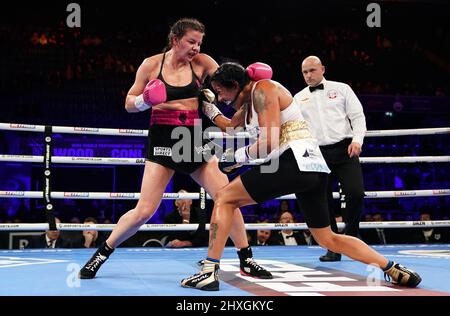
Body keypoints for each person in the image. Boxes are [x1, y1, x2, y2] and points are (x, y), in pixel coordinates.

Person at [181, 62, 421, 291]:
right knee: (328, 238)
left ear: (235, 84)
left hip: (293, 160)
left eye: (221, 92)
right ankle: (392, 268)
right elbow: (229, 125)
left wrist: (237, 157)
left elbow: (270, 142)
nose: (221, 98)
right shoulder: (249, 104)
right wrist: (208, 107)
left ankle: (209, 271)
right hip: (313, 168)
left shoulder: (263, 88)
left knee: (224, 198)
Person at [78, 18, 271, 279]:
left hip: (193, 137)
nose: (196, 47)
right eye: (191, 41)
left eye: (199, 42)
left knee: (227, 196)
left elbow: (231, 83)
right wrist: (146, 100)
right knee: (145, 209)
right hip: (163, 137)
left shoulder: (203, 63)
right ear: (175, 40)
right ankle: (101, 253)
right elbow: (128, 103)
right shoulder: (151, 65)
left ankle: (246, 259)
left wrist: (251, 78)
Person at [293, 56, 367, 262]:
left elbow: (357, 116)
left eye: (312, 70)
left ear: (322, 69)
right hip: (316, 153)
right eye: (305, 72)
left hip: (345, 149)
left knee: (355, 193)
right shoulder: (298, 98)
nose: (308, 75)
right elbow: (296, 127)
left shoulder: (342, 89)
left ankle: (352, 236)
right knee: (322, 201)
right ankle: (333, 246)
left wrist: (357, 140)